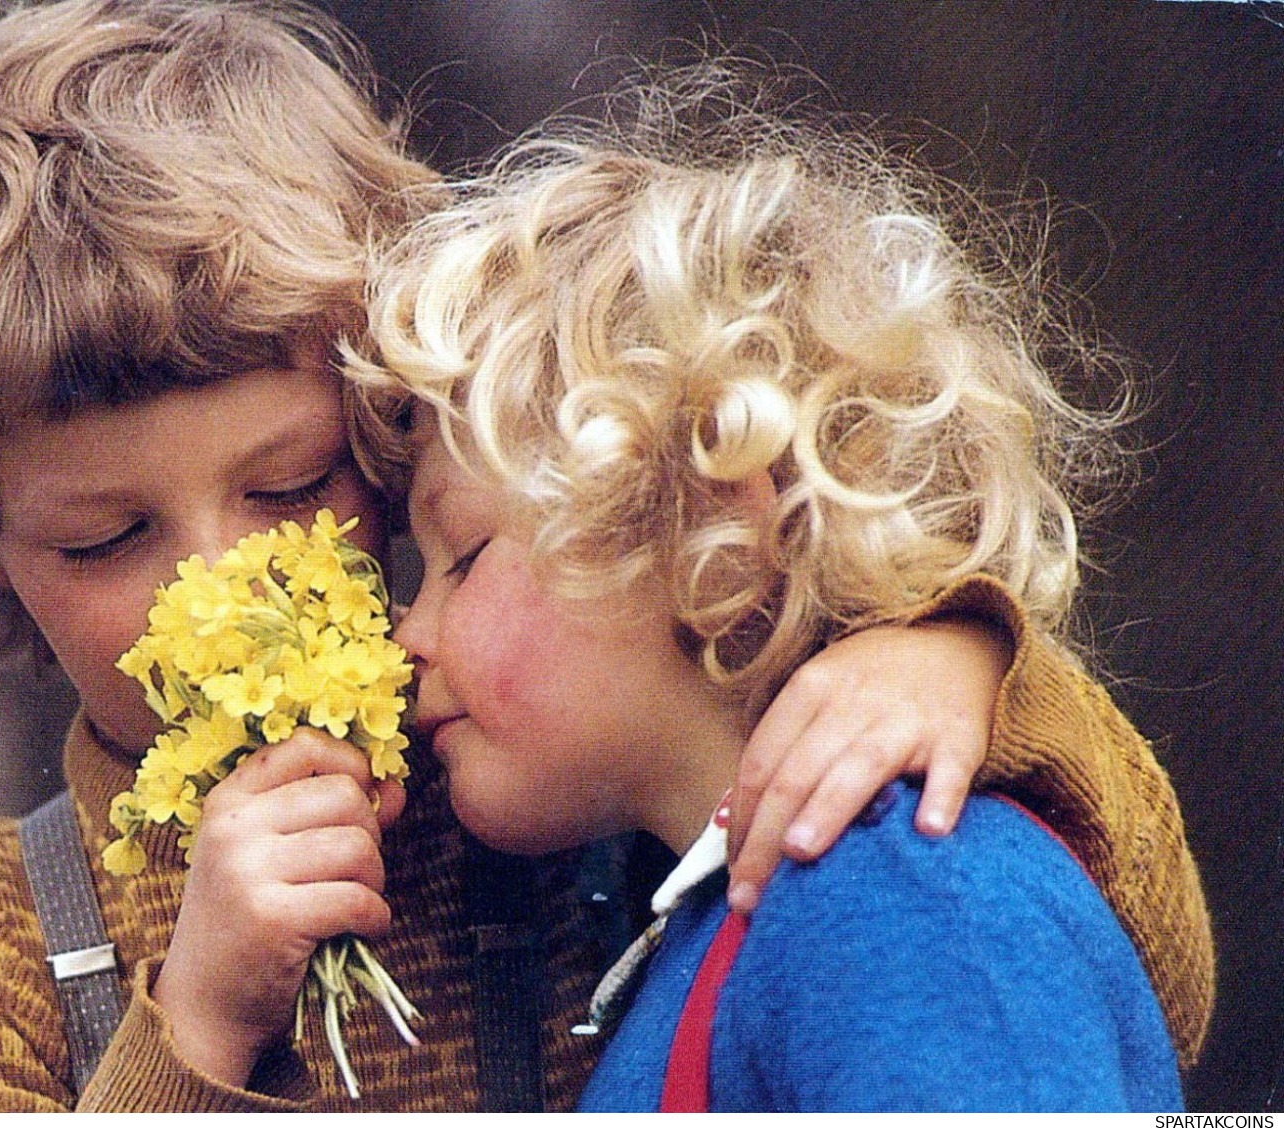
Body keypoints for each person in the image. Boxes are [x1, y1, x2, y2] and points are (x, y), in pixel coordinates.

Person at [0, 0, 1209, 1112]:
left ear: (386, 427)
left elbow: (1132, 964)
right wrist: (197, 1022)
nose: (219, 581)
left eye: (290, 487)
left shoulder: (530, 751)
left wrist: (953, 662)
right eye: (104, 535)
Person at [346, 89, 1193, 1109]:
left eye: (464, 555)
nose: (407, 638)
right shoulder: (764, 910)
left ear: (710, 528)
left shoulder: (903, 895)